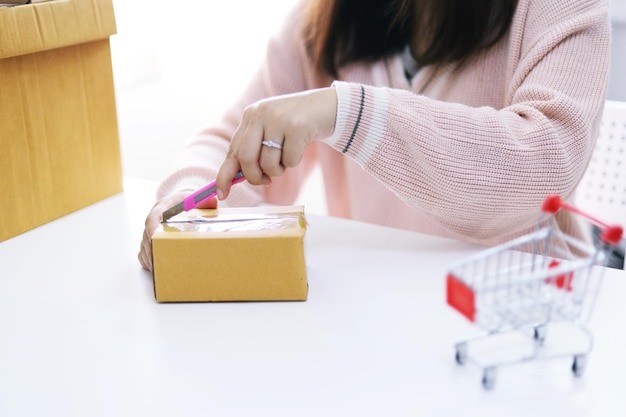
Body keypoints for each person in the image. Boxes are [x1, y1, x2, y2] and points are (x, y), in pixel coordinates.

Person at [139, 0, 611, 271]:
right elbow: (230, 141)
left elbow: (544, 167)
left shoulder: (559, 7)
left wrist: (349, 113)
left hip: (527, 314)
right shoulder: (323, 19)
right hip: (377, 310)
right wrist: (185, 199)